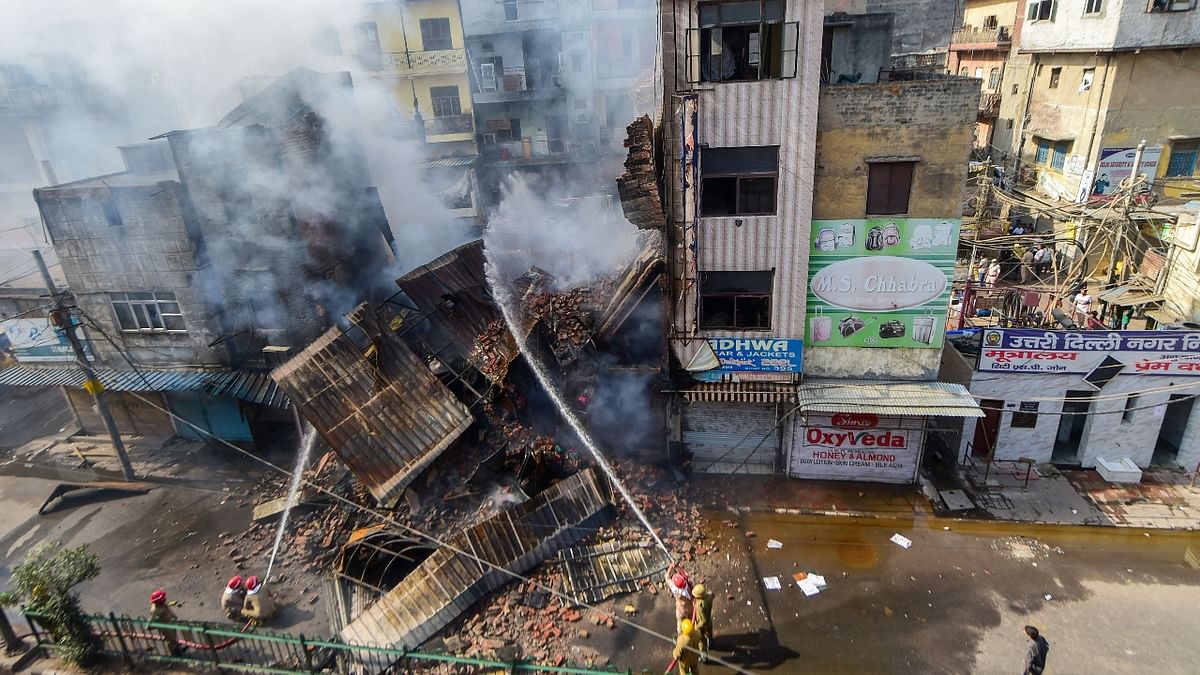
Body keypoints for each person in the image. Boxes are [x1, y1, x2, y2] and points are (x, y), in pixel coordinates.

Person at [149, 589, 184, 656]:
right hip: (166, 627)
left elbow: (169, 611)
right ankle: (174, 653)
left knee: (174, 637)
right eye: (163, 598)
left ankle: (177, 649)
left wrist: (174, 617)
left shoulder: (163, 605)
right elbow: (149, 625)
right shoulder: (155, 610)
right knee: (171, 640)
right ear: (159, 601)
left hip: (170, 623)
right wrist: (159, 625)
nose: (165, 598)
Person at [692, 583, 713, 663]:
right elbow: (712, 595)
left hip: (702, 626)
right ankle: (711, 643)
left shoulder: (699, 606)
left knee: (702, 642)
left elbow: (702, 621)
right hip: (709, 620)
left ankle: (704, 657)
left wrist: (695, 628)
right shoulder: (709, 596)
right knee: (710, 633)